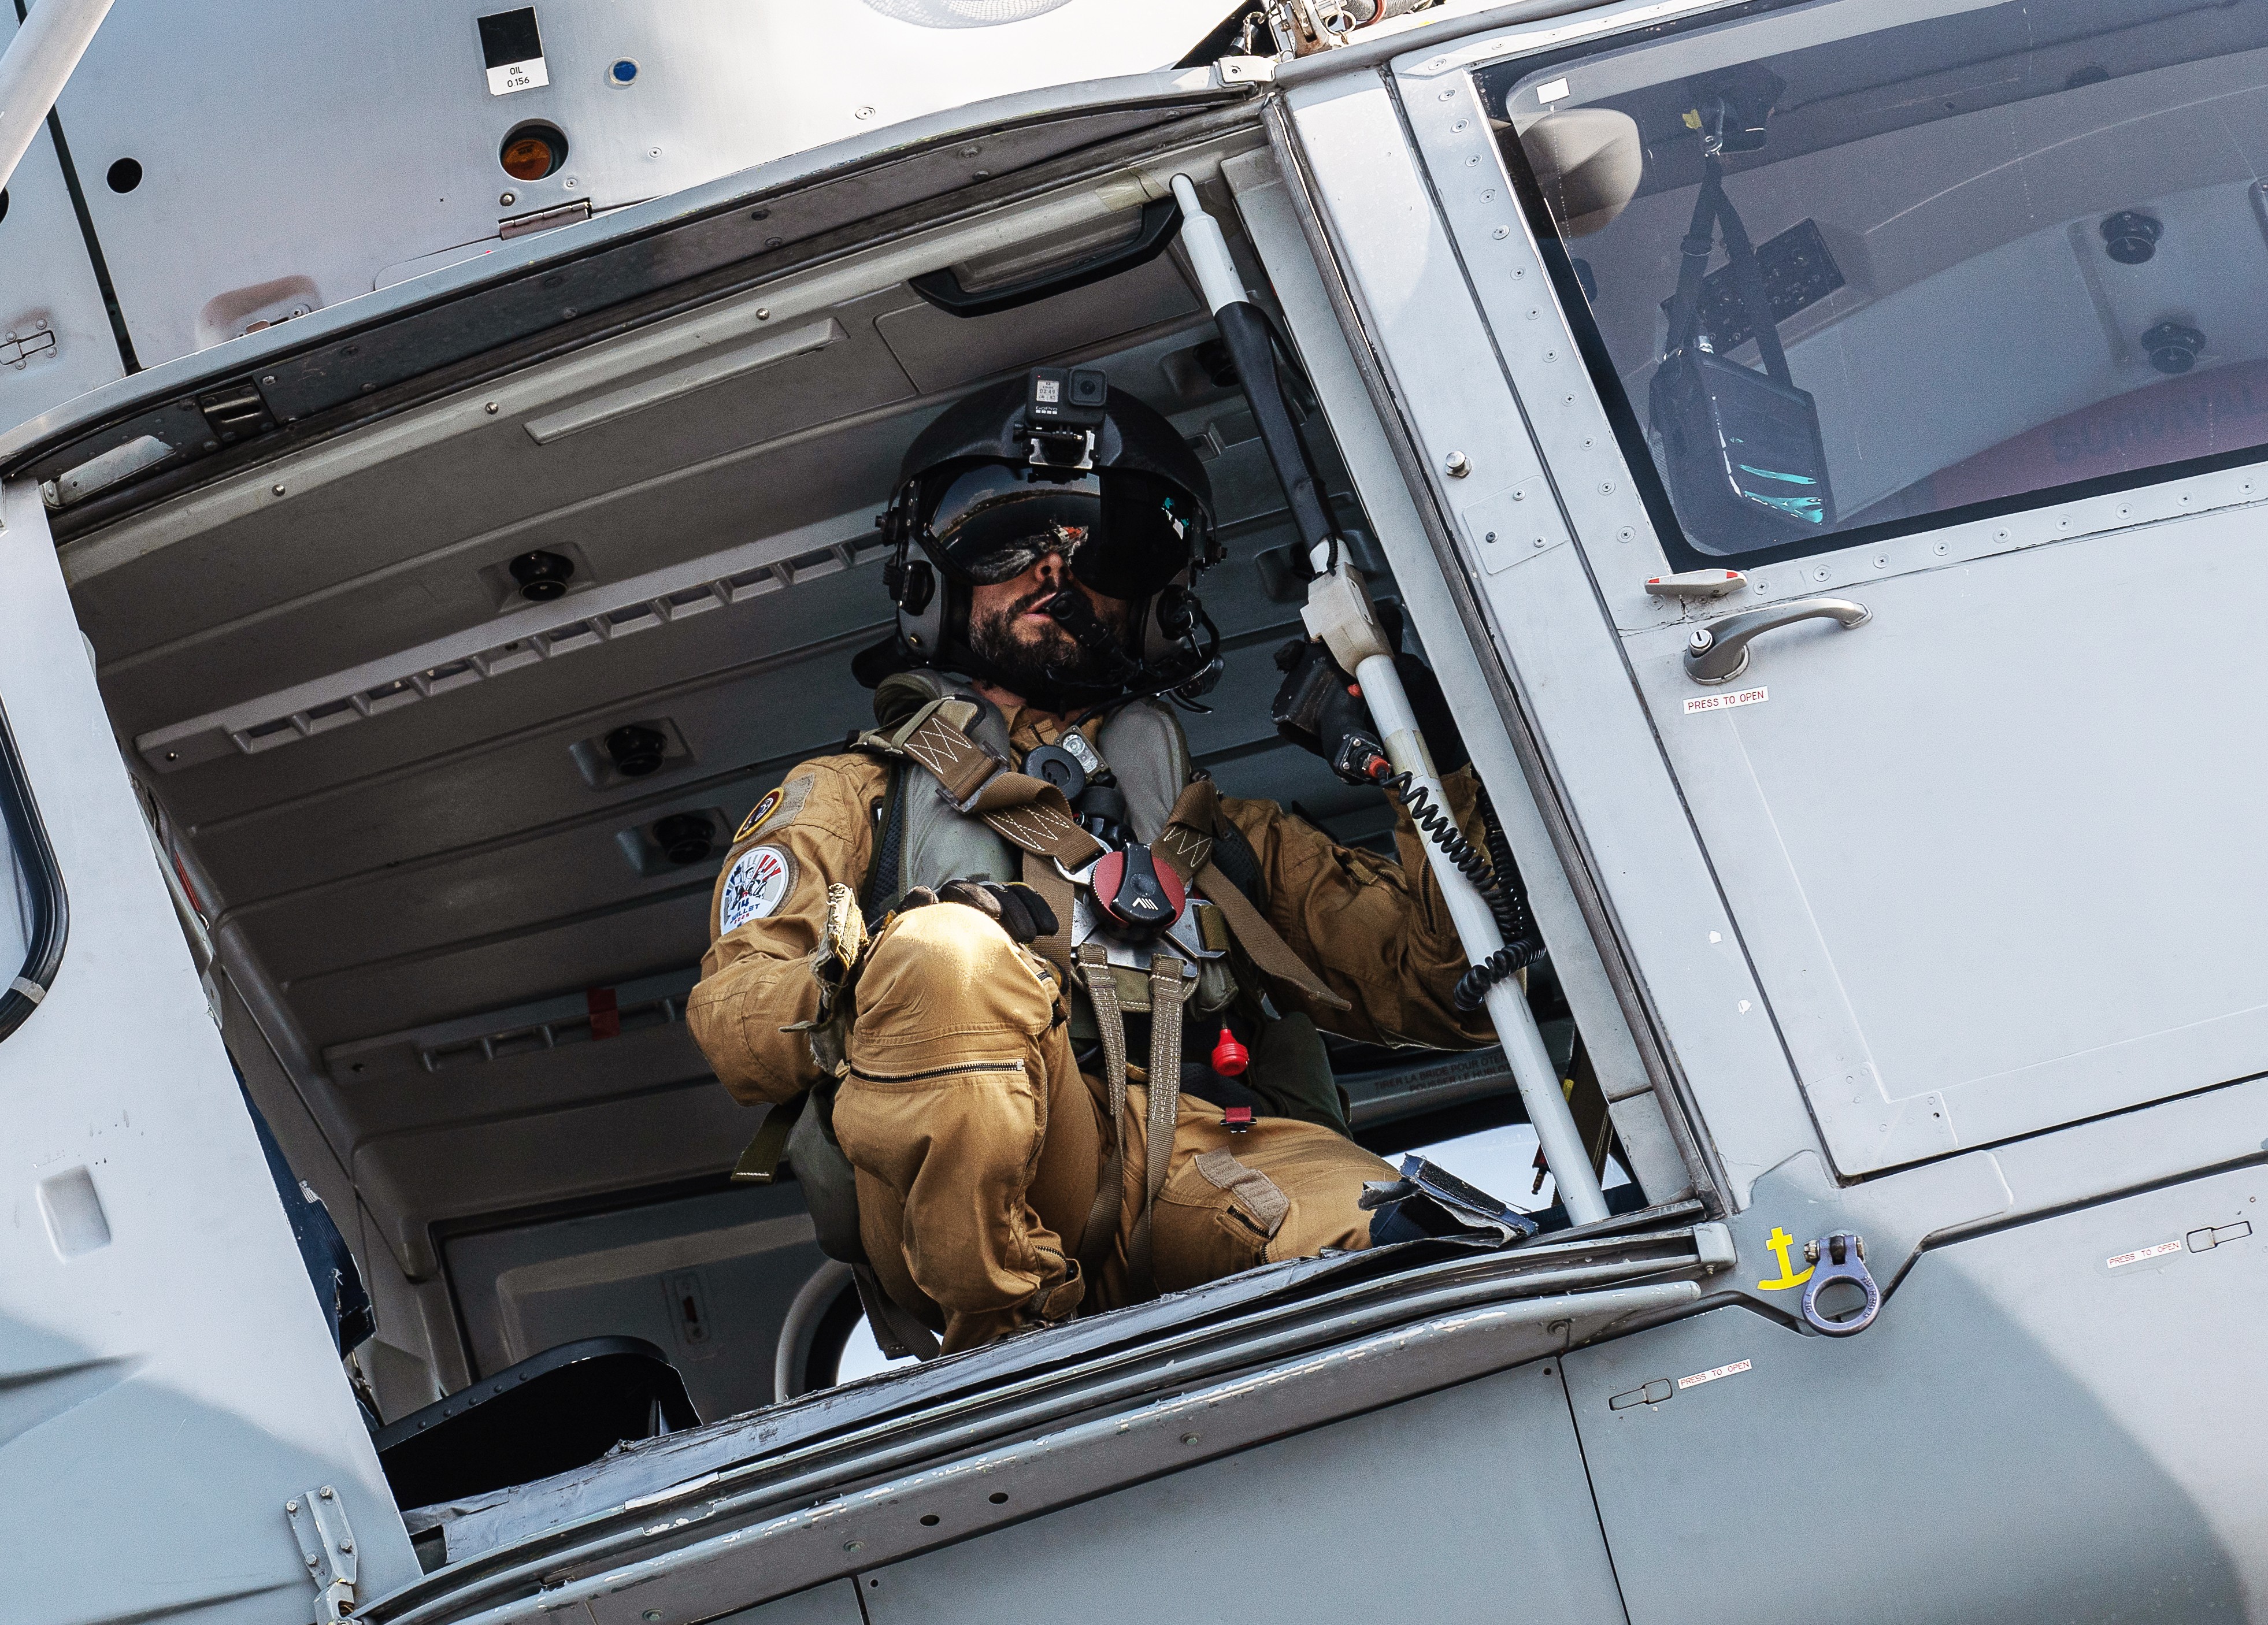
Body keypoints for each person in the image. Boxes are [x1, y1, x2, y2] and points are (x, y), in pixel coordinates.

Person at [687, 369, 1500, 1356]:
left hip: (1211, 1157)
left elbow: (1440, 979)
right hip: (991, 1182)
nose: (1052, 573)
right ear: (932, 577)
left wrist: (1428, 756)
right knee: (946, 955)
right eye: (1007, 537)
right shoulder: (852, 796)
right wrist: (876, 973)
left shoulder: (1214, 833)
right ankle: (1013, 1357)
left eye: (1094, 549)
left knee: (1439, 1256)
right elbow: (739, 1023)